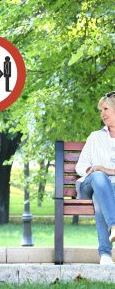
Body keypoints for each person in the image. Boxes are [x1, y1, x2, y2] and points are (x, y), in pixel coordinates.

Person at [76, 91, 115, 265]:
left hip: (107, 190)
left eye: (106, 109)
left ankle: (105, 255)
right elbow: (80, 166)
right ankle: (113, 225)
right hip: (89, 184)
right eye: (101, 110)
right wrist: (94, 170)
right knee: (99, 179)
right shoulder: (95, 137)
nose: (102, 114)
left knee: (100, 195)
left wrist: (105, 169)